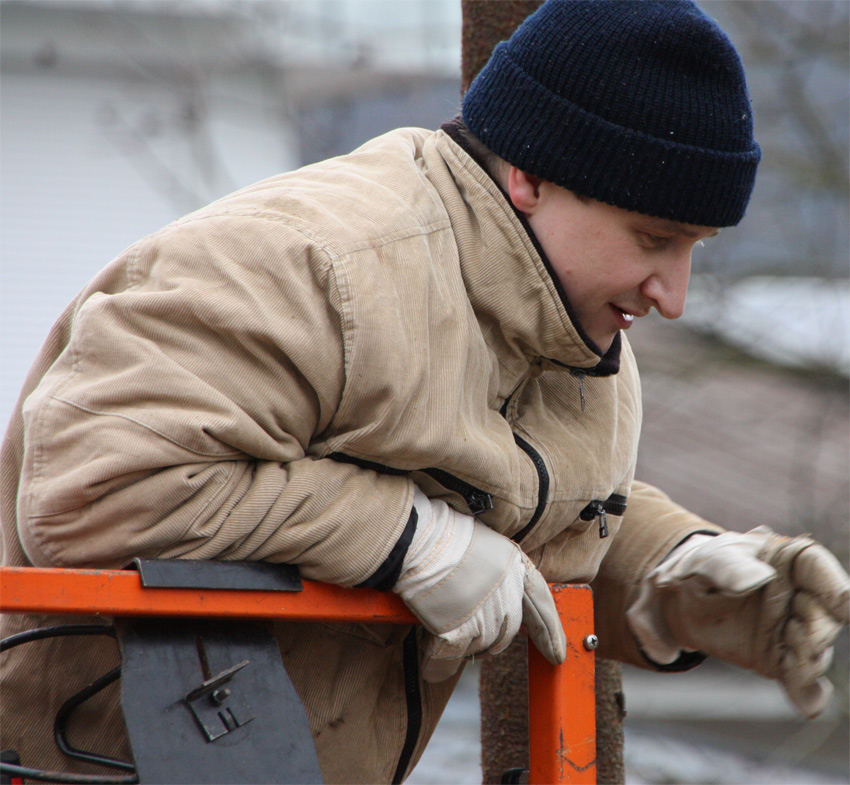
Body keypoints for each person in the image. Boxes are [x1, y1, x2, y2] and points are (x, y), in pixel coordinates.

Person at [1, 1, 848, 782]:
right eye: (654, 238)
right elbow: (93, 484)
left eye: (695, 246)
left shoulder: (578, 331)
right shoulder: (313, 266)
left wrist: (674, 580)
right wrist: (410, 540)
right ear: (530, 175)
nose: (674, 294)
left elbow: (519, 529)